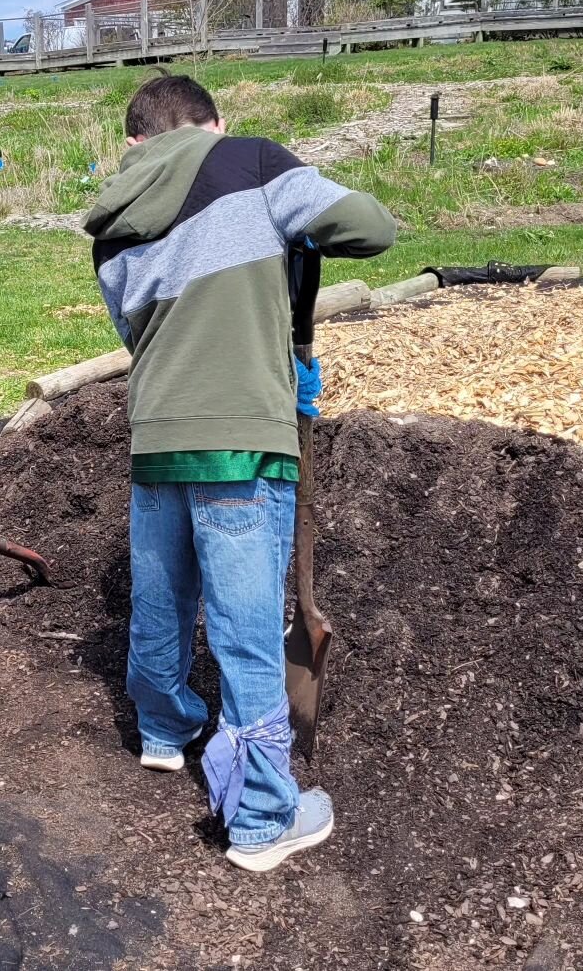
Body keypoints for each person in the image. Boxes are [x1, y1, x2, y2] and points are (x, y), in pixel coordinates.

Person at [83, 74, 395, 871]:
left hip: (155, 432)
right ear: (213, 124)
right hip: (242, 438)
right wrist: (297, 233)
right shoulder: (248, 162)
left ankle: (164, 728)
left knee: (161, 591)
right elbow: (370, 228)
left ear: (134, 142)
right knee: (246, 625)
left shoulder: (110, 225)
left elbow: (140, 335)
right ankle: (261, 814)